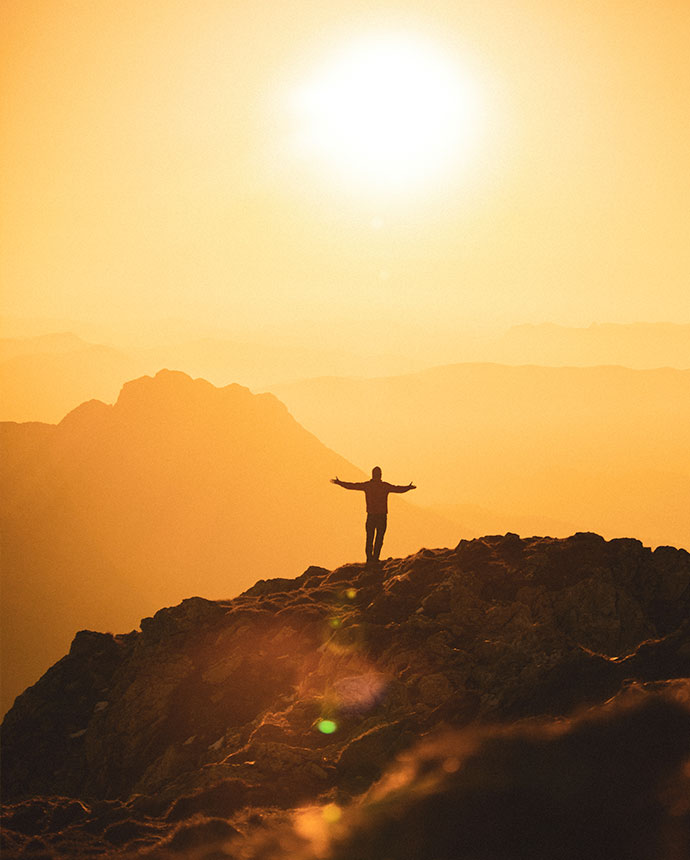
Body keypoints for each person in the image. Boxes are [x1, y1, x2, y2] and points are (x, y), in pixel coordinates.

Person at [331, 466, 416, 563]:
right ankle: (375, 559)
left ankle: (370, 560)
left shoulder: (368, 485)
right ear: (380, 475)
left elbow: (352, 486)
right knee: (379, 539)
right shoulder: (384, 486)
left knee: (370, 539)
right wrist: (408, 487)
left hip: (371, 516)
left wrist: (340, 483)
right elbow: (397, 489)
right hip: (381, 517)